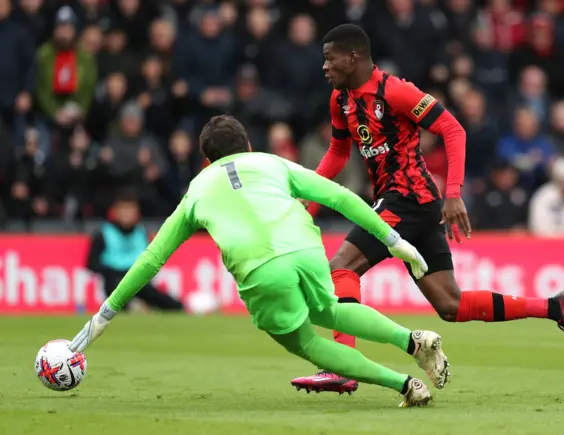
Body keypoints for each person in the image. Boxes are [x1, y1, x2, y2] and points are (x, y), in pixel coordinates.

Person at [69, 115, 450, 408]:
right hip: (305, 248)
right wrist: (393, 239)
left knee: (306, 342)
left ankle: (404, 385)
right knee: (328, 309)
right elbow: (341, 197)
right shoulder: (272, 163)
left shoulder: (197, 190)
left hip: (260, 269)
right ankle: (412, 341)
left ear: (206, 159)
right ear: (248, 144)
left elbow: (153, 259)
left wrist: (107, 311)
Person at [292, 23, 564, 394]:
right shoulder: (341, 101)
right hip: (404, 204)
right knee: (451, 304)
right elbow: (338, 153)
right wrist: (306, 202)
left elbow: (453, 130)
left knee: (342, 266)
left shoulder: (395, 91)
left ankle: (342, 365)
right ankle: (555, 306)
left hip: (410, 198)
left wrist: (453, 194)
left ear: (352, 57)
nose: (324, 67)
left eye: (329, 58)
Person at [86, 191, 184, 311]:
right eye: (123, 209)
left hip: (138, 281)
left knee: (171, 304)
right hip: (114, 281)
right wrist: (117, 272)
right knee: (117, 293)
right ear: (115, 212)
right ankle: (134, 307)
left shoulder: (141, 233)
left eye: (130, 210)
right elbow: (91, 264)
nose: (127, 214)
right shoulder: (103, 233)